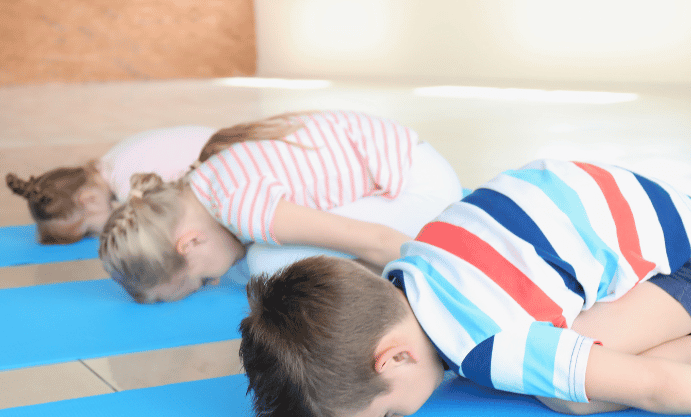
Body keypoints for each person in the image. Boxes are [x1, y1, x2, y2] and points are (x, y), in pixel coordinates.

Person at [239, 158, 691, 417]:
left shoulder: (489, 343)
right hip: (634, 206)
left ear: (394, 358)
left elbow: (652, 388)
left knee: (567, 396)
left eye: (385, 415)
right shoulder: (408, 267)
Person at [98, 110, 462, 303]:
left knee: (264, 264)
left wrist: (457, 276)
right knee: (253, 261)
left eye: (202, 279)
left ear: (190, 242)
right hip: (410, 165)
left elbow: (372, 239)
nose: (215, 280)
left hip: (423, 192)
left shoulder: (241, 206)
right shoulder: (204, 181)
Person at [5, 125, 216, 244]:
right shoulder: (113, 160)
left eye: (88, 230)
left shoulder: (129, 187)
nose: (95, 234)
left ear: (90, 201)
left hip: (225, 165)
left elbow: (163, 224)